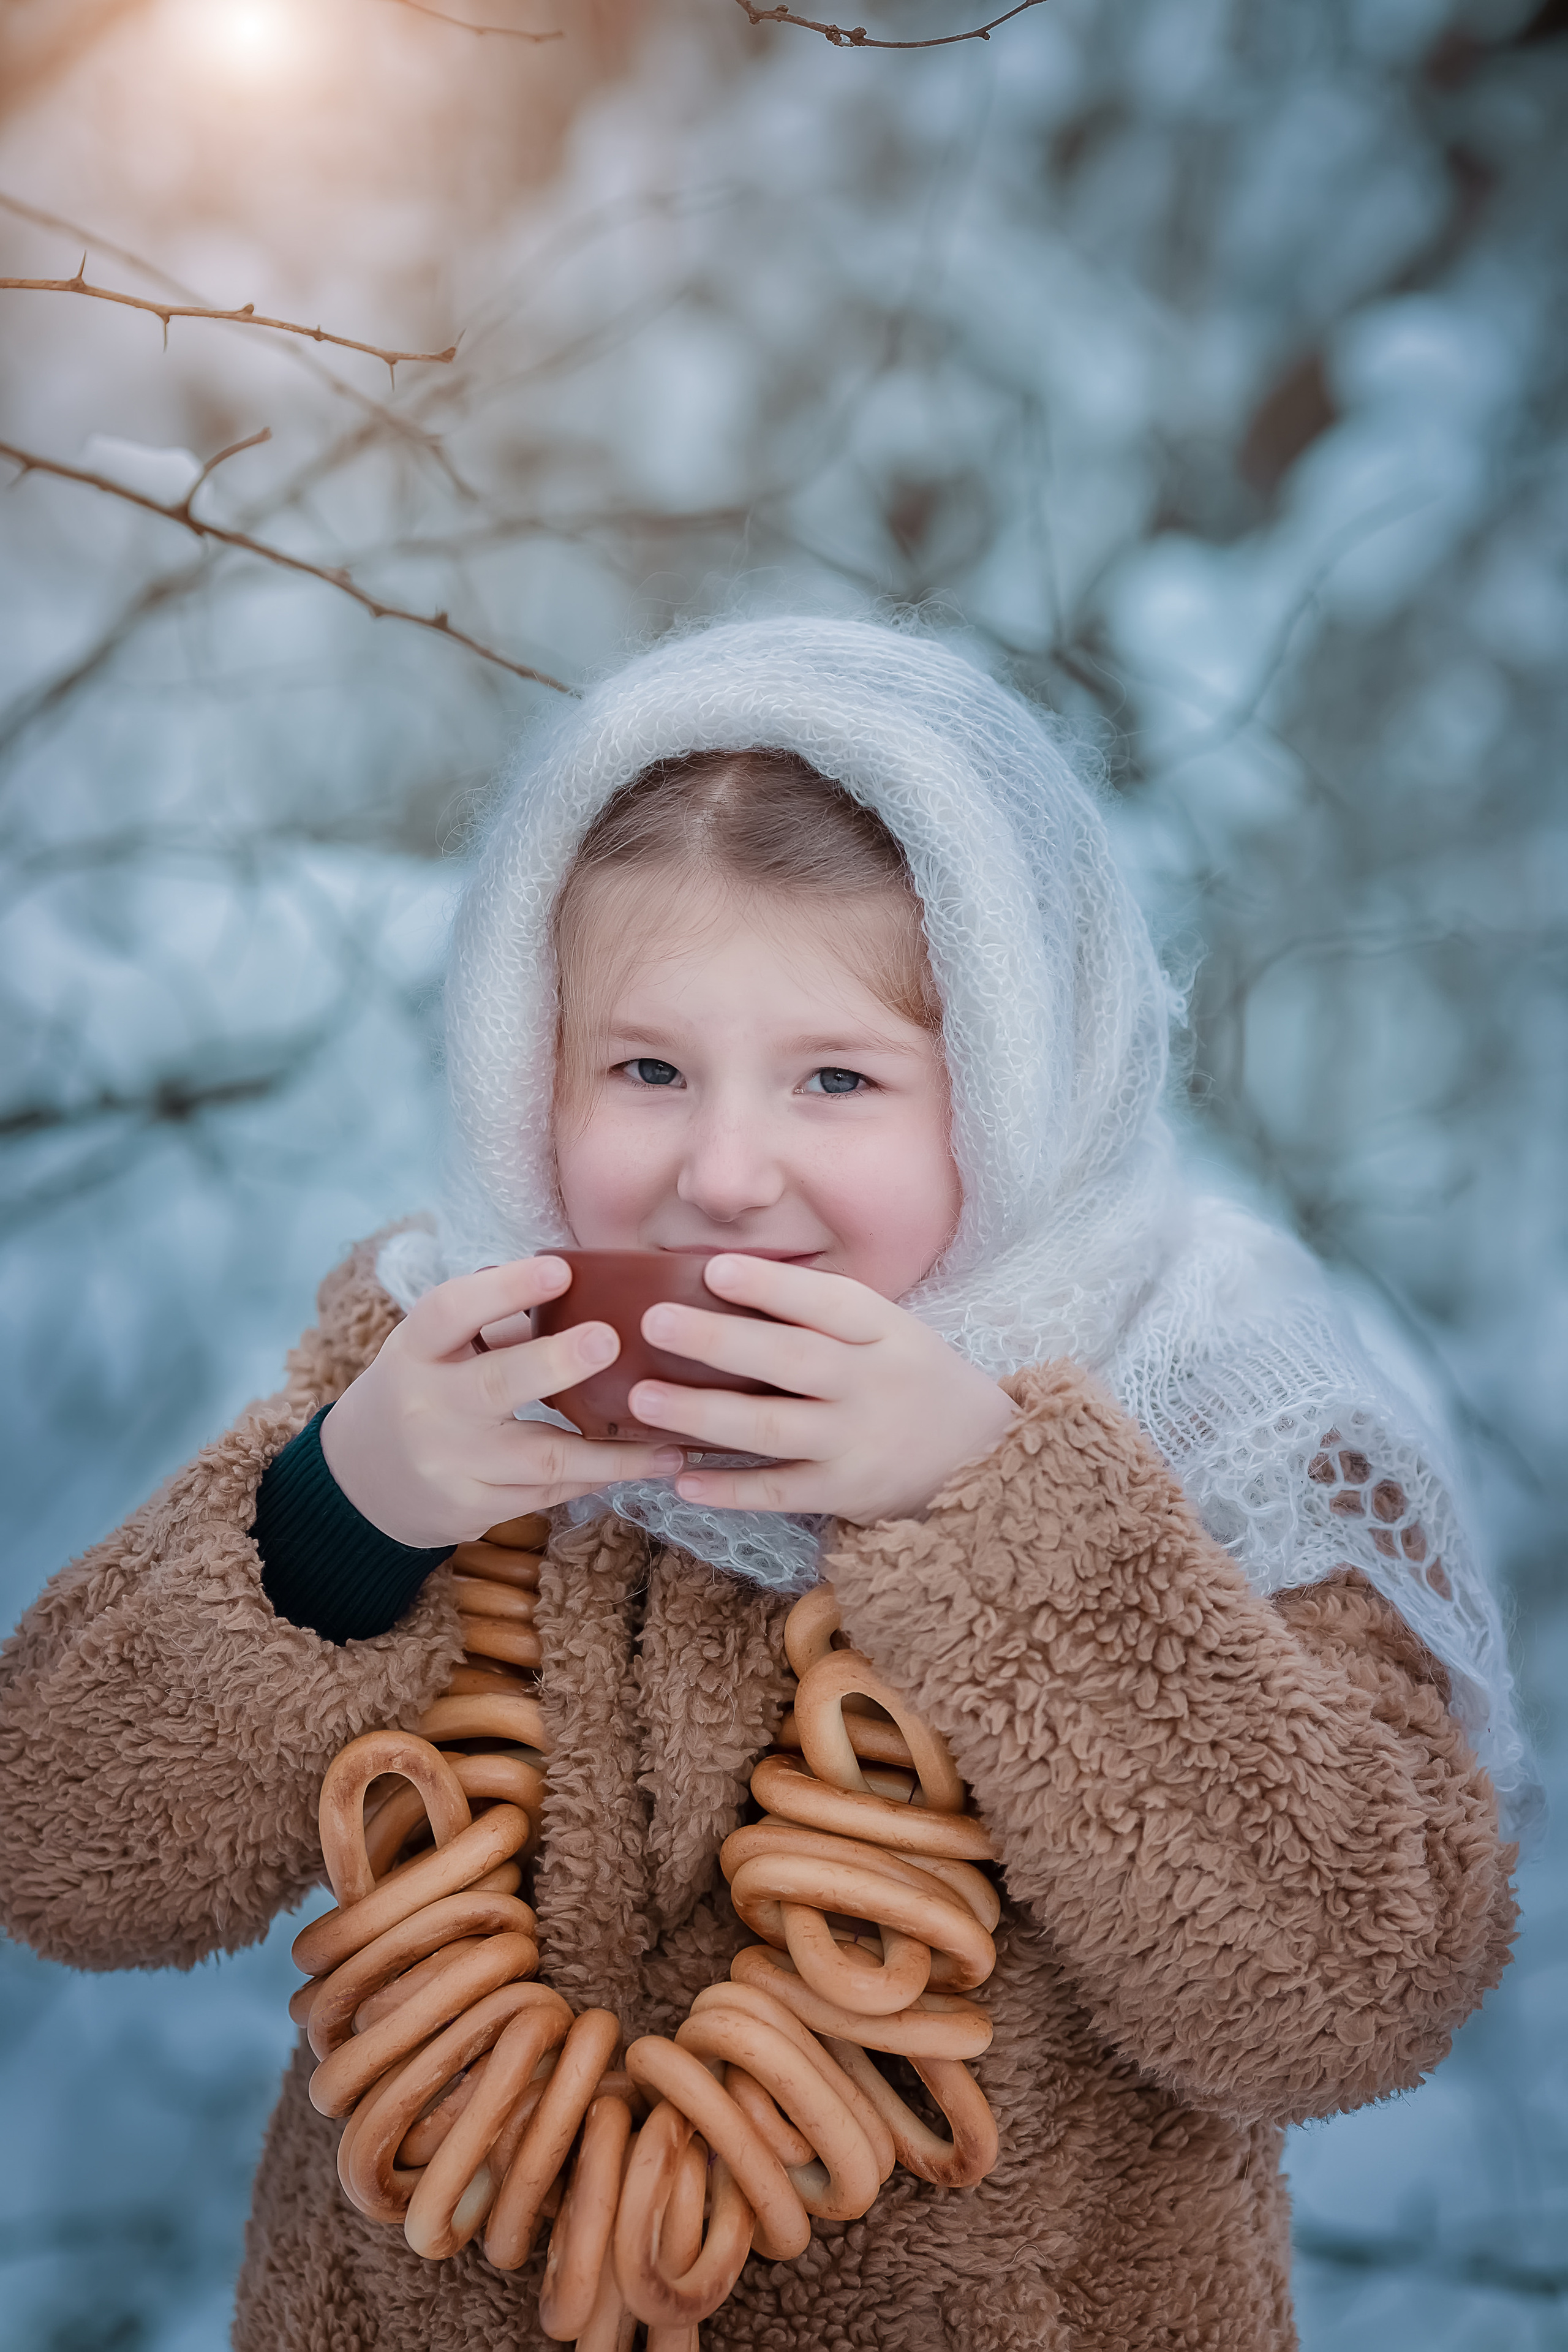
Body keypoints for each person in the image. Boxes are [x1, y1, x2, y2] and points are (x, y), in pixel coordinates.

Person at [0, 617, 1525, 2351]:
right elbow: (60, 1855)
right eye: (645, 1069)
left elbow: (1358, 1994)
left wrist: (997, 1509)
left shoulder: (1205, 1417)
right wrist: (342, 1513)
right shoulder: (447, 1368)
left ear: (1022, 1084)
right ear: (528, 1066)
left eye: (838, 1080)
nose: (724, 1176)